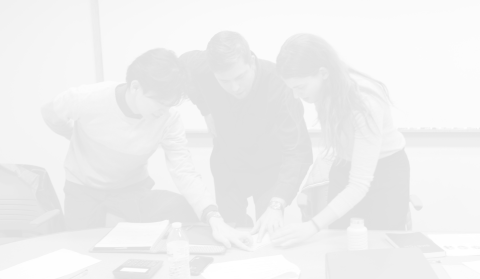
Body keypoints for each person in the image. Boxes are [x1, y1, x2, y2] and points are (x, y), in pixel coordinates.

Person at [40, 48, 253, 250]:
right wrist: (75, 138)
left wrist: (212, 216)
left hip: (131, 189)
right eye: (158, 102)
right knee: (82, 250)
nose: (163, 110)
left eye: (169, 105)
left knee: (141, 243)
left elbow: (184, 170)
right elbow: (51, 114)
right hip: (84, 189)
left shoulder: (168, 119)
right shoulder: (88, 98)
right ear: (135, 87)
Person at [272, 33, 410, 247]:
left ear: (323, 73)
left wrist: (312, 226)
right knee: (339, 241)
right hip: (345, 165)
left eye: (300, 87)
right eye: (291, 88)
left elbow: (359, 184)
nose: (296, 96)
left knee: (381, 247)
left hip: (386, 172)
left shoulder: (365, 102)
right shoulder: (324, 91)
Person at [180, 31, 313, 241]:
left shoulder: (279, 83)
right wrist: (204, 109)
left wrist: (278, 203)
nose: (235, 87)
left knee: (267, 234)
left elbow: (297, 150)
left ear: (251, 61)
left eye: (240, 77)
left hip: (269, 167)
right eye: (224, 81)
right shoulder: (201, 67)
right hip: (228, 164)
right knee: (228, 233)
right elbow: (182, 64)